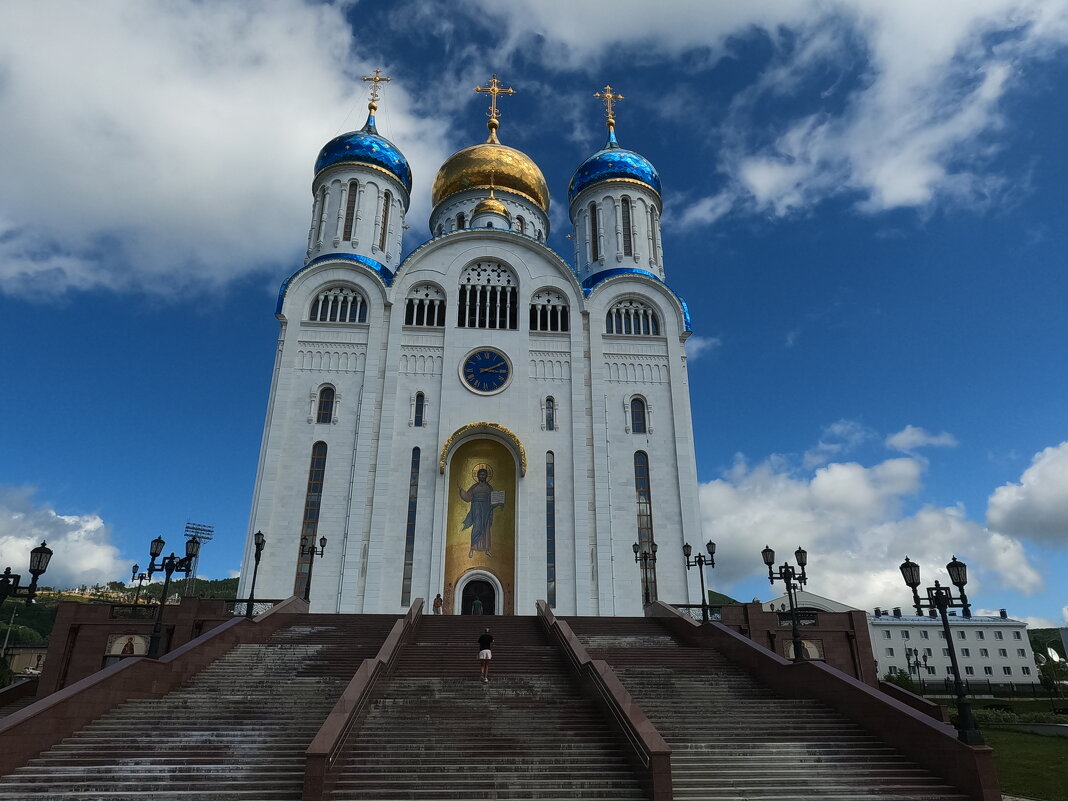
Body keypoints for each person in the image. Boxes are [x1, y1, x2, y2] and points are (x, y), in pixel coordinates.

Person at [458, 468, 503, 558]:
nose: (482, 476)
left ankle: (487, 549)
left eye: (483, 474)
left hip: (486, 509)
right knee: (477, 527)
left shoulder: (489, 487)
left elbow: (492, 499)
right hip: (477, 509)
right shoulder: (474, 487)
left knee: (486, 529)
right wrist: (461, 491)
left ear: (486, 476)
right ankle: (472, 549)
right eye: (480, 474)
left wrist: (499, 501)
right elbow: (468, 497)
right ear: (477, 476)